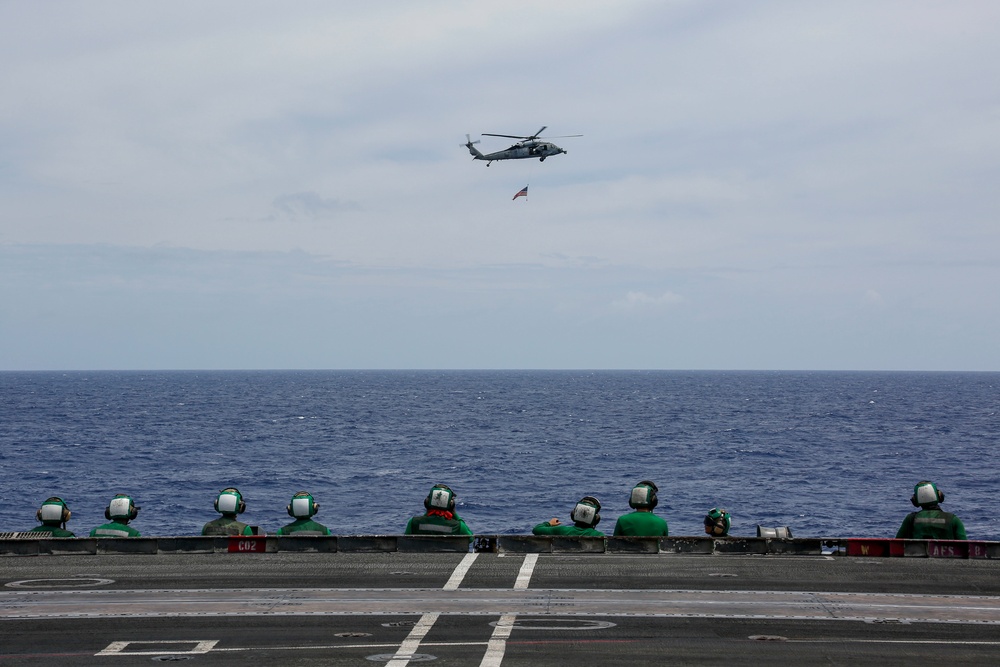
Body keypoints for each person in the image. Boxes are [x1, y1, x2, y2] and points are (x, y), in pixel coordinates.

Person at [896, 481, 967, 540]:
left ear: (915, 500)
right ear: (939, 496)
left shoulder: (910, 519)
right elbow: (965, 545)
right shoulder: (953, 520)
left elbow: (897, 543)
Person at [404, 484, 473, 536]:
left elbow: (405, 540)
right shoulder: (459, 526)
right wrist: (454, 513)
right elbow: (470, 538)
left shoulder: (413, 522)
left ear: (427, 502)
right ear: (451, 505)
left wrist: (428, 510)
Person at [532, 496, 605, 537]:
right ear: (596, 520)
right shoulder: (599, 536)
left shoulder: (562, 530)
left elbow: (536, 529)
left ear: (573, 515)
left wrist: (549, 524)